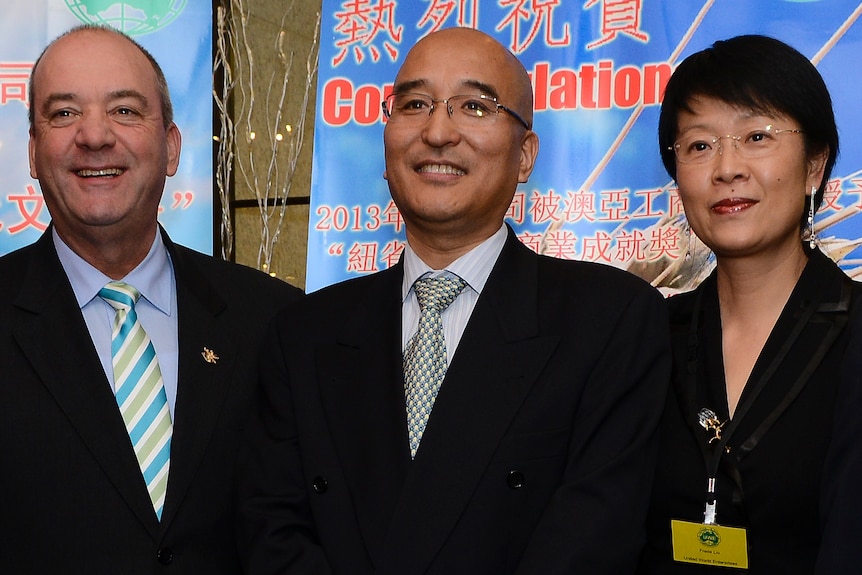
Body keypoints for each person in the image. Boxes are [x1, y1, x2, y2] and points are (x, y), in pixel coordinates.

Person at [239, 26, 671, 575]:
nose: (438, 131)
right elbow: (272, 530)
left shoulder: (610, 318)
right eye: (414, 104)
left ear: (525, 154)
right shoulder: (302, 334)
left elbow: (594, 536)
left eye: (474, 106)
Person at [0, 24, 302, 573]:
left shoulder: (275, 321)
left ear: (170, 146)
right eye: (64, 113)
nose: (94, 137)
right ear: (33, 151)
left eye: (124, 111)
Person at [636, 35, 861, 574]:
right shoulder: (648, 338)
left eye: (756, 136)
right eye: (699, 145)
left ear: (814, 166)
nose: (726, 168)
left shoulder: (855, 336)